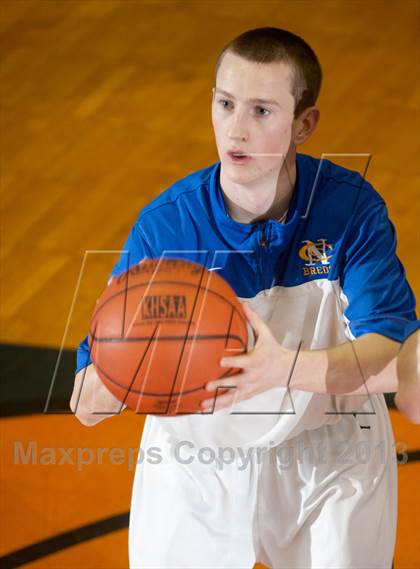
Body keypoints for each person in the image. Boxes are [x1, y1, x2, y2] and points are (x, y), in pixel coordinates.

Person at [71, 28, 417, 568]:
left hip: (329, 454)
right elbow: (85, 405)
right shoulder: (167, 228)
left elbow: (391, 356)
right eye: (226, 103)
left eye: (261, 111)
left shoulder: (350, 210)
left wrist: (282, 370)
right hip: (196, 461)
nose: (236, 129)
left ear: (304, 124)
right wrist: (123, 373)